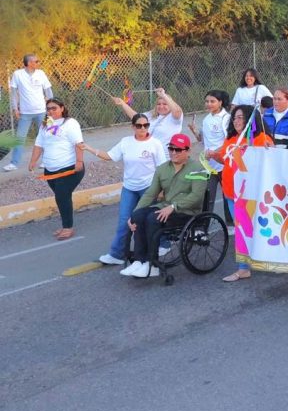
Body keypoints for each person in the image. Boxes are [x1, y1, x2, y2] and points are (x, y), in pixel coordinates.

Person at [84, 113, 168, 266]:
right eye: (139, 126)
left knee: (149, 220)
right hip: (129, 187)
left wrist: (161, 189)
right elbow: (110, 156)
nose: (143, 128)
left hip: (148, 188)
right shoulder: (125, 142)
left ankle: (163, 243)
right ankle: (117, 254)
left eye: (146, 125)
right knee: (124, 221)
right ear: (133, 127)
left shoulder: (155, 144)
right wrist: (89, 148)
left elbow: (162, 168)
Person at [121, 133, 206, 279]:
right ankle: (139, 261)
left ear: (188, 151)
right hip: (165, 207)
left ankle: (152, 264)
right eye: (171, 148)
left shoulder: (198, 169)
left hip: (186, 211)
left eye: (178, 150)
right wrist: (134, 214)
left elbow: (196, 196)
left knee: (152, 219)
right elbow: (150, 194)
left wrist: (173, 206)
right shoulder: (162, 169)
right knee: (138, 216)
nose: (173, 152)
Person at [210, 106, 274, 281]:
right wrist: (214, 155)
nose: (236, 121)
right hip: (230, 193)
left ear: (250, 120)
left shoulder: (261, 138)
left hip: (249, 194)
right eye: (234, 118)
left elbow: (271, 160)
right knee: (242, 231)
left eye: (240, 117)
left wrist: (265, 150)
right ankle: (245, 267)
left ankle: (250, 265)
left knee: (252, 230)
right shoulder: (231, 138)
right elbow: (225, 160)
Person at [27, 98, 84, 240]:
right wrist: (33, 161)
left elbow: (79, 143)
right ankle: (66, 224)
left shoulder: (70, 123)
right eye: (48, 109)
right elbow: (39, 144)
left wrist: (79, 161)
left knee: (61, 196)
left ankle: (68, 227)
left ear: (62, 108)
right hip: (50, 171)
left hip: (69, 168)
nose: (51, 111)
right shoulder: (46, 124)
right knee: (62, 197)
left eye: (54, 108)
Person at [189, 89, 233, 230]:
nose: (209, 104)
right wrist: (194, 131)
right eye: (207, 101)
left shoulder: (226, 118)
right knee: (208, 197)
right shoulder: (207, 118)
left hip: (224, 164)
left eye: (212, 101)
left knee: (228, 196)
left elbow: (229, 141)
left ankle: (231, 225)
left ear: (220, 102)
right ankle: (203, 228)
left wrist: (215, 153)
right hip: (209, 165)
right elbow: (202, 140)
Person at [5, 53, 54, 171]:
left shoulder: (41, 73)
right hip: (25, 114)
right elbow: (14, 93)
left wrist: (51, 108)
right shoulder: (17, 74)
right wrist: (15, 108)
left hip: (42, 112)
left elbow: (48, 91)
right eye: (36, 61)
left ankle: (47, 161)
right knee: (19, 138)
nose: (38, 63)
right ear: (29, 63)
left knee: (49, 135)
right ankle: (14, 163)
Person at [111, 87, 184, 147]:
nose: (161, 106)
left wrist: (163, 95)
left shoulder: (174, 118)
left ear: (170, 104)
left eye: (165, 104)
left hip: (166, 156)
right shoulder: (152, 114)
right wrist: (122, 103)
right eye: (159, 104)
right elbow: (136, 117)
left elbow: (177, 111)